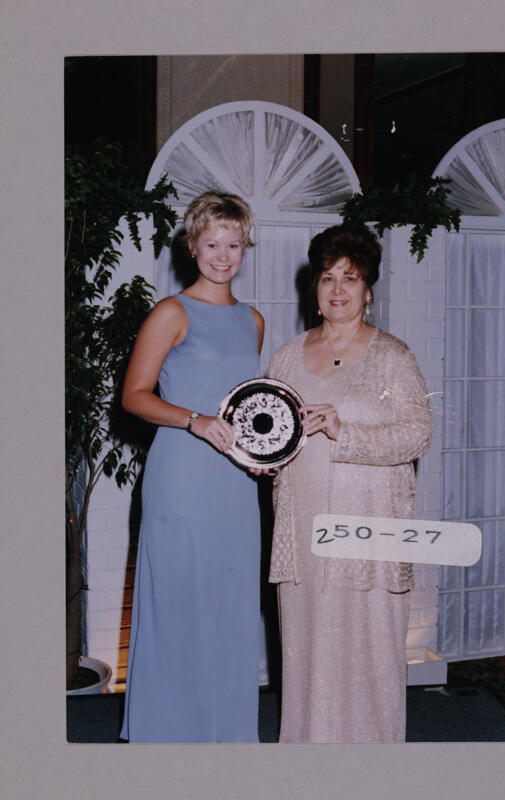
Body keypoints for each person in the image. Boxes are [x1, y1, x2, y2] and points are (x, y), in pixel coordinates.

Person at [266, 223, 432, 743]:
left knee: (369, 656)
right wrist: (263, 458)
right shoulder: (287, 356)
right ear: (314, 290)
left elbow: (417, 435)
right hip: (304, 531)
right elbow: (273, 432)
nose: (338, 289)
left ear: (368, 290)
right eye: (327, 278)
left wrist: (346, 430)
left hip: (367, 533)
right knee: (307, 653)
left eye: (350, 278)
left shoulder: (393, 356)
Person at [119, 191, 265, 742]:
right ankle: (165, 741)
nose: (223, 256)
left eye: (233, 245)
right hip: (181, 478)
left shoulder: (253, 321)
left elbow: (247, 408)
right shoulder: (171, 312)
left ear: (244, 247)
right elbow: (134, 396)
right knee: (178, 608)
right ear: (191, 246)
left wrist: (261, 456)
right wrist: (193, 420)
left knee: (229, 610)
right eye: (212, 244)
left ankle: (223, 739)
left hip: (233, 484)